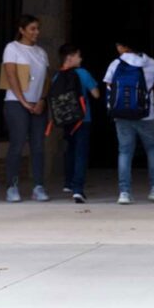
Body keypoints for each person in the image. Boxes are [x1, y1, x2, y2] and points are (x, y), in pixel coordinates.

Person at [104, 38, 154, 205]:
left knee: (125, 152)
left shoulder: (115, 64)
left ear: (124, 46)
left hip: (121, 115)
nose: (117, 48)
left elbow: (109, 88)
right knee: (152, 150)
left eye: (118, 45)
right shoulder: (151, 63)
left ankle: (124, 192)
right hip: (147, 115)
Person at [1, 15, 51, 203]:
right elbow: (11, 75)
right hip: (16, 103)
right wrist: (23, 101)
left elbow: (45, 79)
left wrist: (42, 100)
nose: (36, 32)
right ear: (22, 30)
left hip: (38, 104)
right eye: (32, 29)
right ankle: (12, 187)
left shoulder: (41, 52)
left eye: (37, 28)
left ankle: (38, 186)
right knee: (18, 143)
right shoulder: (12, 48)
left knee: (38, 146)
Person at [56, 44, 100, 203]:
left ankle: (68, 183)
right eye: (78, 55)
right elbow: (96, 94)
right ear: (70, 58)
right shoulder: (83, 73)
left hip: (67, 121)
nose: (81, 59)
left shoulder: (57, 77)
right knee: (81, 153)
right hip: (83, 119)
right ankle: (78, 189)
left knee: (70, 150)